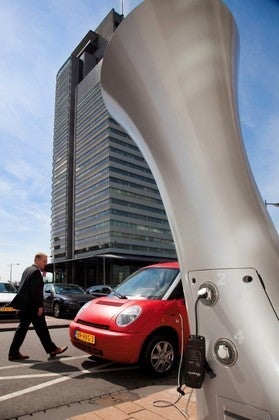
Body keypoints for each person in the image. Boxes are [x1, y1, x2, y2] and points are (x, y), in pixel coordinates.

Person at [8, 252, 68, 361]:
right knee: (41, 329)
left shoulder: (27, 270)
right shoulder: (35, 272)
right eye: (44, 261)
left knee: (27, 330)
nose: (45, 264)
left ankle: (13, 353)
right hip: (33, 307)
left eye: (46, 262)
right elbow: (35, 291)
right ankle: (51, 349)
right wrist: (40, 306)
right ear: (36, 260)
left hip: (25, 306)